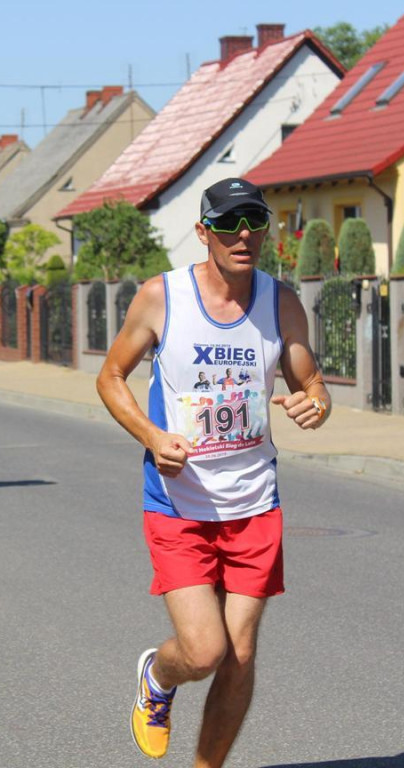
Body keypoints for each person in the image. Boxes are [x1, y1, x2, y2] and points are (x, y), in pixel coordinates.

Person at [96, 177, 331, 767]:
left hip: (254, 502)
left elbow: (311, 382)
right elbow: (110, 377)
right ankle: (158, 675)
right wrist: (151, 436)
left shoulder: (281, 303)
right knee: (203, 652)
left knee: (241, 653)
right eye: (228, 223)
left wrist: (317, 403)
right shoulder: (161, 297)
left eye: (254, 220)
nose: (243, 233)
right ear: (203, 232)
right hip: (179, 502)